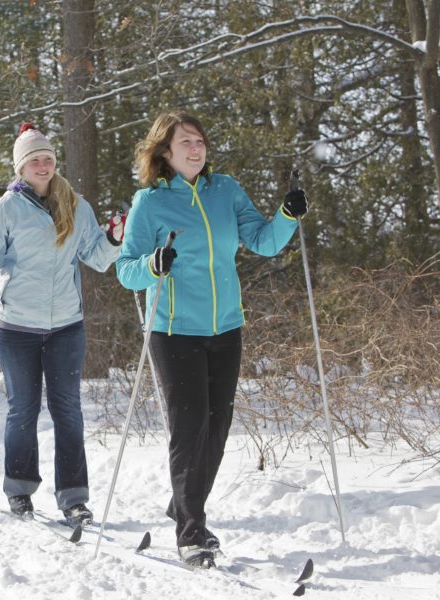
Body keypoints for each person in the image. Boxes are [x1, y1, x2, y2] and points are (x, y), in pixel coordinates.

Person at [115, 111, 308, 566]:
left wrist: (287, 214)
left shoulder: (226, 191)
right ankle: (191, 533)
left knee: (217, 429)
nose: (196, 149)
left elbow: (262, 241)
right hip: (173, 328)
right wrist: (152, 266)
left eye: (200, 141)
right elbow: (126, 270)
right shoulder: (150, 202)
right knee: (190, 426)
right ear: (165, 151)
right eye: (186, 142)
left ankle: (183, 502)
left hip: (225, 326)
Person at [0, 123, 125, 525]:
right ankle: (19, 489)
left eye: (47, 158)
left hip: (66, 325)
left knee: (68, 410)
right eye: (34, 159)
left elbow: (96, 257)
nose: (43, 164)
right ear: (21, 167)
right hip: (15, 327)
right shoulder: (4, 210)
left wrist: (114, 238)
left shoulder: (75, 205)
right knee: (24, 409)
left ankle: (73, 498)